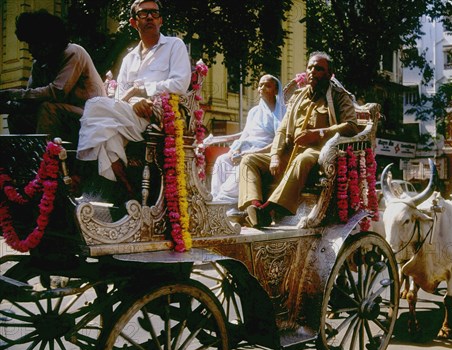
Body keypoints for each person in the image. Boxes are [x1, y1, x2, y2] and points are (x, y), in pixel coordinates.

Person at [76, 0, 191, 197]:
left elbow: (180, 84)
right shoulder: (129, 58)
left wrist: (142, 91)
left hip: (161, 113)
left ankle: (79, 171)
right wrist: (133, 100)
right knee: (104, 129)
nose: (149, 17)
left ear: (160, 20)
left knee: (94, 104)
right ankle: (127, 185)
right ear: (133, 22)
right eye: (143, 13)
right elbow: (121, 94)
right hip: (131, 112)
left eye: (154, 13)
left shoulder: (174, 45)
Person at [238, 51, 359, 227]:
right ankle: (254, 207)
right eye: (310, 67)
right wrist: (275, 156)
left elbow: (351, 125)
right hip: (291, 151)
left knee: (302, 158)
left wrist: (319, 133)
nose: (312, 72)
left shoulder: (339, 96)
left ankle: (269, 208)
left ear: (329, 73)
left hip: (319, 152)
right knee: (249, 160)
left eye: (318, 69)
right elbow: (282, 129)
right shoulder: (298, 96)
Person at [0, 10, 106, 142]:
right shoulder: (39, 64)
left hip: (92, 119)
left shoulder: (74, 52)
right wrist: (11, 105)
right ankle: (25, 159)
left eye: (34, 44)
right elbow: (31, 98)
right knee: (17, 115)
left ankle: (47, 160)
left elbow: (56, 92)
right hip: (65, 117)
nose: (30, 50)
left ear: (49, 43)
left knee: (48, 108)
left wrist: (12, 94)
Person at [210, 74, 285, 202]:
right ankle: (215, 198)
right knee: (222, 160)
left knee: (245, 162)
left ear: (276, 90)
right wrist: (235, 150)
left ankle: (226, 201)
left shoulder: (284, 112)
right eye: (260, 85)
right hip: (246, 148)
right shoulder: (253, 112)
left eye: (267, 85)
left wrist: (250, 152)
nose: (261, 88)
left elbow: (280, 142)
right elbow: (245, 135)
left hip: (265, 152)